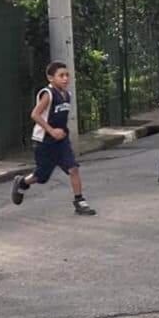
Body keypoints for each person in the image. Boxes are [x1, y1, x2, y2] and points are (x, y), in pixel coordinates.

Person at [10, 62, 97, 215]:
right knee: (41, 176)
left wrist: (60, 133)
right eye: (61, 76)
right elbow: (35, 114)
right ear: (51, 78)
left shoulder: (67, 95)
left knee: (73, 169)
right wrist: (51, 131)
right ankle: (22, 182)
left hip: (61, 140)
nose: (65, 79)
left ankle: (80, 201)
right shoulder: (47, 94)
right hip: (44, 141)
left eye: (67, 75)